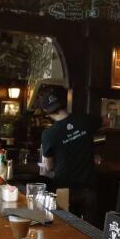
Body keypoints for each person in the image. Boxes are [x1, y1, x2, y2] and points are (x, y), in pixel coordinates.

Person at [39, 86, 102, 225]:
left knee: (65, 230)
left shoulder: (49, 134)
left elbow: (49, 166)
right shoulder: (85, 120)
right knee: (90, 232)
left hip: (64, 189)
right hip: (88, 188)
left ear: (47, 112)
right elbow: (102, 126)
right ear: (63, 103)